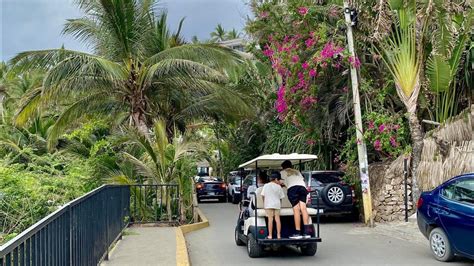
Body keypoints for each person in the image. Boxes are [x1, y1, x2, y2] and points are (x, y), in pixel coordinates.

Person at [280, 160, 310, 239]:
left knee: (296, 209)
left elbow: (281, 182)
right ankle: (307, 232)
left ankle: (297, 233)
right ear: (291, 166)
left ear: (283, 167)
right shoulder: (297, 171)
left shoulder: (282, 172)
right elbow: (300, 180)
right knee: (303, 208)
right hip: (302, 188)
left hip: (293, 189)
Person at [261, 171, 285, 239]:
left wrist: (264, 204)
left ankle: (270, 235)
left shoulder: (266, 185)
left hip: (268, 204)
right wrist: (280, 204)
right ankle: (278, 235)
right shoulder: (279, 187)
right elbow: (281, 198)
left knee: (270, 220)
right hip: (277, 205)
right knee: (277, 219)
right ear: (276, 179)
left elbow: (263, 196)